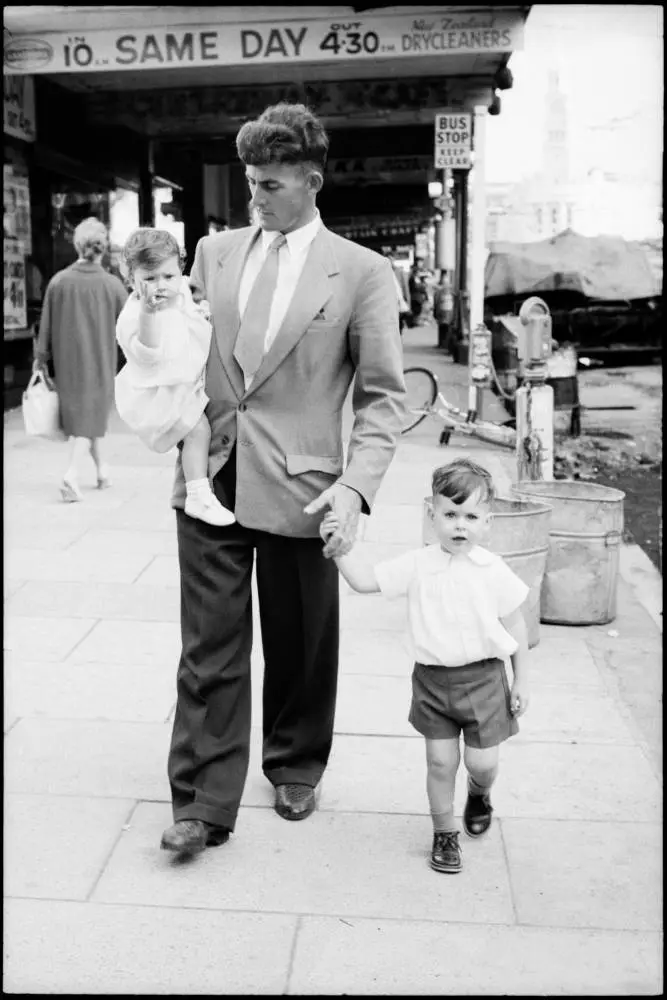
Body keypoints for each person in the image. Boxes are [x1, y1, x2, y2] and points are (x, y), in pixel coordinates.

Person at [160, 102, 405, 856]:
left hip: (307, 485)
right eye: (249, 182)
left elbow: (383, 396)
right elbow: (180, 352)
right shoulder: (212, 253)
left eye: (269, 185)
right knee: (210, 645)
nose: (254, 198)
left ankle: (295, 760)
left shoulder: (361, 272)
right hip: (212, 475)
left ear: (310, 181)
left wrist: (356, 488)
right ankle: (203, 800)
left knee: (299, 642)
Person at [320, 458, 530, 875]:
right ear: (431, 515)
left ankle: (479, 792)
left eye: (471, 516)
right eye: (450, 514)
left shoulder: (493, 571)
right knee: (438, 762)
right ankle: (444, 833)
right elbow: (363, 582)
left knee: (483, 763)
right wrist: (338, 549)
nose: (460, 525)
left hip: (486, 680)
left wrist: (521, 677)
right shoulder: (417, 564)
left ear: (487, 522)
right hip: (433, 682)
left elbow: (516, 623)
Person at [114, 228, 235, 527]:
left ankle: (198, 493)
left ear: (179, 269)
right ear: (132, 279)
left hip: (187, 381)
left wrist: (201, 311)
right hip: (161, 393)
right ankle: (197, 494)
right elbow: (149, 351)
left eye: (168, 276)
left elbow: (190, 310)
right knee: (198, 431)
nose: (161, 286)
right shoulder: (135, 315)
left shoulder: (179, 290)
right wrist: (147, 314)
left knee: (200, 429)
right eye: (150, 279)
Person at [33, 217, 128, 501]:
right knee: (92, 418)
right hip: (100, 363)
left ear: (77, 244)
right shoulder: (112, 286)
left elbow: (45, 325)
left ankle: (102, 471)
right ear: (103, 247)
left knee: (87, 419)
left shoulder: (58, 282)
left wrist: (41, 359)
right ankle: (71, 475)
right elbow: (131, 325)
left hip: (67, 365)